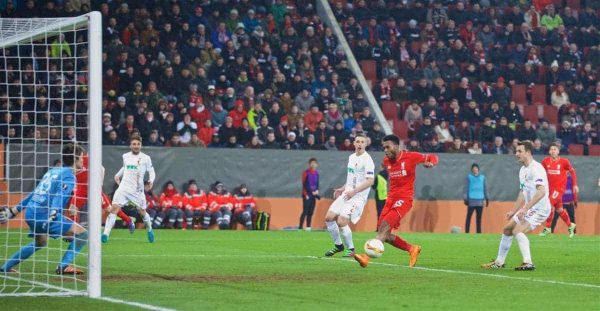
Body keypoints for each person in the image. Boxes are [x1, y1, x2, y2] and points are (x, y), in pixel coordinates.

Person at [0, 144, 87, 274]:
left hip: (31, 213)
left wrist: (15, 210)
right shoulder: (69, 176)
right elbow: (59, 195)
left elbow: (36, 192)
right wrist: (54, 213)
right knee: (83, 234)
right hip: (45, 215)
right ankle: (63, 266)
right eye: (81, 157)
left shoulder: (53, 171)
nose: (83, 160)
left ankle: (5, 268)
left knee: (40, 242)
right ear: (75, 158)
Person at [353, 135, 438, 268]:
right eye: (384, 147)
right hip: (390, 200)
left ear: (397, 146)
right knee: (384, 234)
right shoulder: (386, 161)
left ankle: (366, 257)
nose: (385, 150)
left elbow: (432, 157)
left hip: (404, 200)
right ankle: (412, 249)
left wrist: (431, 163)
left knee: (384, 227)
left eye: (388, 147)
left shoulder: (411, 157)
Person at [481, 140, 550, 271]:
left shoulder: (536, 169)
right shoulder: (523, 170)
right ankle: (499, 262)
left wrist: (525, 208)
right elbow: (523, 193)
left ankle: (528, 262)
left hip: (540, 208)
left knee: (517, 231)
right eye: (516, 151)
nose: (516, 154)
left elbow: (541, 192)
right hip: (530, 208)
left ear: (528, 153)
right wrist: (514, 211)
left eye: (520, 151)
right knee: (507, 229)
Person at [324, 134, 374, 258]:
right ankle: (338, 246)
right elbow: (352, 177)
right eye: (357, 141)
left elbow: (370, 181)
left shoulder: (368, 160)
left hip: (358, 197)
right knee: (329, 217)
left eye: (362, 142)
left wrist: (355, 191)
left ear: (366, 144)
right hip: (348, 193)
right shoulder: (351, 157)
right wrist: (343, 188)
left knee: (341, 221)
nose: (359, 144)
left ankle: (351, 249)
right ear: (354, 143)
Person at [102, 135, 156, 243]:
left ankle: (149, 230)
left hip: (137, 191)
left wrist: (151, 181)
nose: (136, 146)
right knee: (114, 210)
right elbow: (125, 167)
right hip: (123, 189)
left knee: (142, 212)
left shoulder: (146, 158)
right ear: (130, 145)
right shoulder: (125, 156)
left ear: (141, 145)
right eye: (134, 144)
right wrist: (117, 175)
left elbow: (151, 171)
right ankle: (105, 234)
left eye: (138, 144)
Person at [67, 152, 134, 232]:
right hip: (81, 190)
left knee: (109, 209)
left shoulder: (85, 158)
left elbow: (102, 169)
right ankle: (75, 232)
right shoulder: (69, 164)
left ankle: (129, 220)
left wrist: (100, 184)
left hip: (93, 188)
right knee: (72, 209)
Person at [539, 143, 578, 238]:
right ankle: (570, 225)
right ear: (549, 151)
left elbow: (572, 172)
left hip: (559, 189)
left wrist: (575, 185)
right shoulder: (545, 161)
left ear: (558, 151)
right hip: (550, 189)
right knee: (560, 210)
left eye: (555, 149)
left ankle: (548, 227)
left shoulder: (564, 162)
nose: (553, 151)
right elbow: (540, 173)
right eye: (551, 149)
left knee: (549, 205)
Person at [463, 164, 489, 234]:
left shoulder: (482, 177)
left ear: (478, 169)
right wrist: (465, 198)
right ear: (472, 170)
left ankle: (479, 232)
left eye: (476, 168)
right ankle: (467, 232)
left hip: (480, 200)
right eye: (474, 168)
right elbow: (466, 188)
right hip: (471, 200)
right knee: (469, 217)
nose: (475, 169)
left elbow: (485, 188)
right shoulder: (469, 177)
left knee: (479, 218)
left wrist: (487, 198)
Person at [299, 158, 319, 231]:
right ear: (309, 164)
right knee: (305, 211)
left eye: (315, 163)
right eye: (312, 163)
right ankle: (300, 228)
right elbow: (304, 185)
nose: (313, 164)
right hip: (306, 195)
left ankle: (308, 227)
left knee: (311, 212)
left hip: (313, 195)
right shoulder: (306, 172)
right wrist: (307, 193)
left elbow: (317, 184)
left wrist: (317, 191)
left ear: (317, 164)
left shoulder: (316, 173)